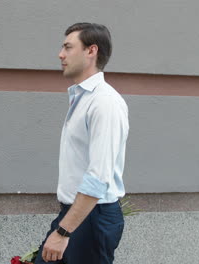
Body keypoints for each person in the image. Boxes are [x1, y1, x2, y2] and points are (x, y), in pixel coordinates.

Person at [35, 23, 129, 264]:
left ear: (91, 51)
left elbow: (98, 178)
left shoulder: (104, 102)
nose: (61, 54)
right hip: (77, 214)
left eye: (68, 47)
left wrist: (63, 232)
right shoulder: (82, 98)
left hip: (91, 218)